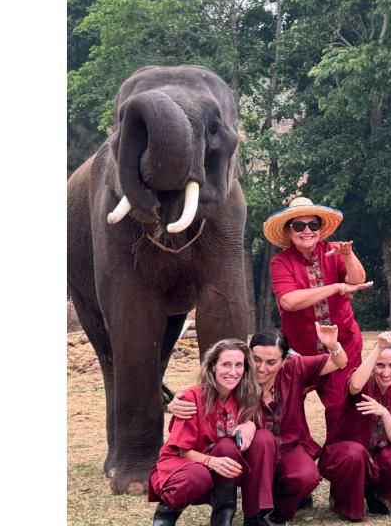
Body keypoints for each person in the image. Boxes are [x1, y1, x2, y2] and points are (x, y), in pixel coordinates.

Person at [167, 326, 348, 524]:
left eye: (271, 362)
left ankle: (281, 509)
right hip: (250, 454)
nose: (261, 368)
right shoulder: (236, 378)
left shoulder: (295, 368)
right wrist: (176, 402)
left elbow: (339, 362)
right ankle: (254, 514)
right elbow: (205, 391)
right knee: (261, 439)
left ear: (284, 360)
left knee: (305, 476)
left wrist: (332, 345)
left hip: (289, 447)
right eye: (256, 360)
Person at [263, 196, 373, 439]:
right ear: (288, 230)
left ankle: (340, 459)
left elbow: (357, 281)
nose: (307, 231)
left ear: (320, 229)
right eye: (299, 226)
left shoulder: (333, 251)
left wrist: (347, 256)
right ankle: (294, 455)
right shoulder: (280, 261)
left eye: (313, 225)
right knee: (287, 408)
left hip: (343, 346)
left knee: (341, 405)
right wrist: (335, 287)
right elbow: (289, 301)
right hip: (302, 354)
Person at [148, 338, 275, 526]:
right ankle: (165, 515)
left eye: (238, 365)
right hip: (187, 463)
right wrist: (211, 461)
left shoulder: (246, 395)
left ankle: (233, 516)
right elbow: (183, 451)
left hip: (224, 465)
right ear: (213, 366)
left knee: (257, 440)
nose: (233, 372)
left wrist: (252, 425)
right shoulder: (192, 398)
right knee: (197, 476)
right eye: (226, 364)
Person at [321, 331, 391, 520]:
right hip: (346, 457)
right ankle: (345, 503)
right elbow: (354, 386)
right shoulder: (362, 379)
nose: (386, 372)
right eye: (380, 365)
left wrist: (384, 413)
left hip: (379, 457)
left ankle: (379, 498)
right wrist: (378, 348)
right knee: (355, 453)